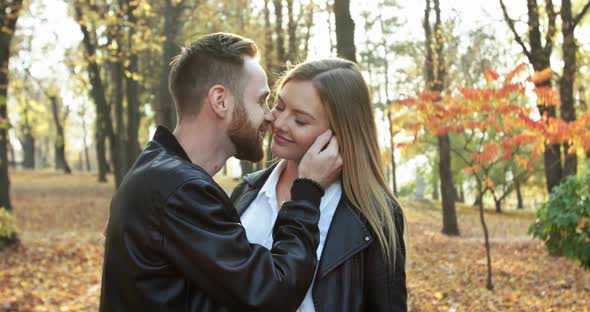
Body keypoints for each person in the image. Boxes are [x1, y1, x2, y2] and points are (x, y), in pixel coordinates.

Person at [99, 33, 343, 311]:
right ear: (220, 100)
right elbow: (274, 291)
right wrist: (308, 191)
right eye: (261, 101)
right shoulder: (180, 189)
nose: (269, 116)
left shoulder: (155, 172)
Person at [231, 58, 407, 311]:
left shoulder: (374, 216)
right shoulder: (247, 192)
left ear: (339, 134)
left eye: (300, 121)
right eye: (279, 107)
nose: (278, 124)